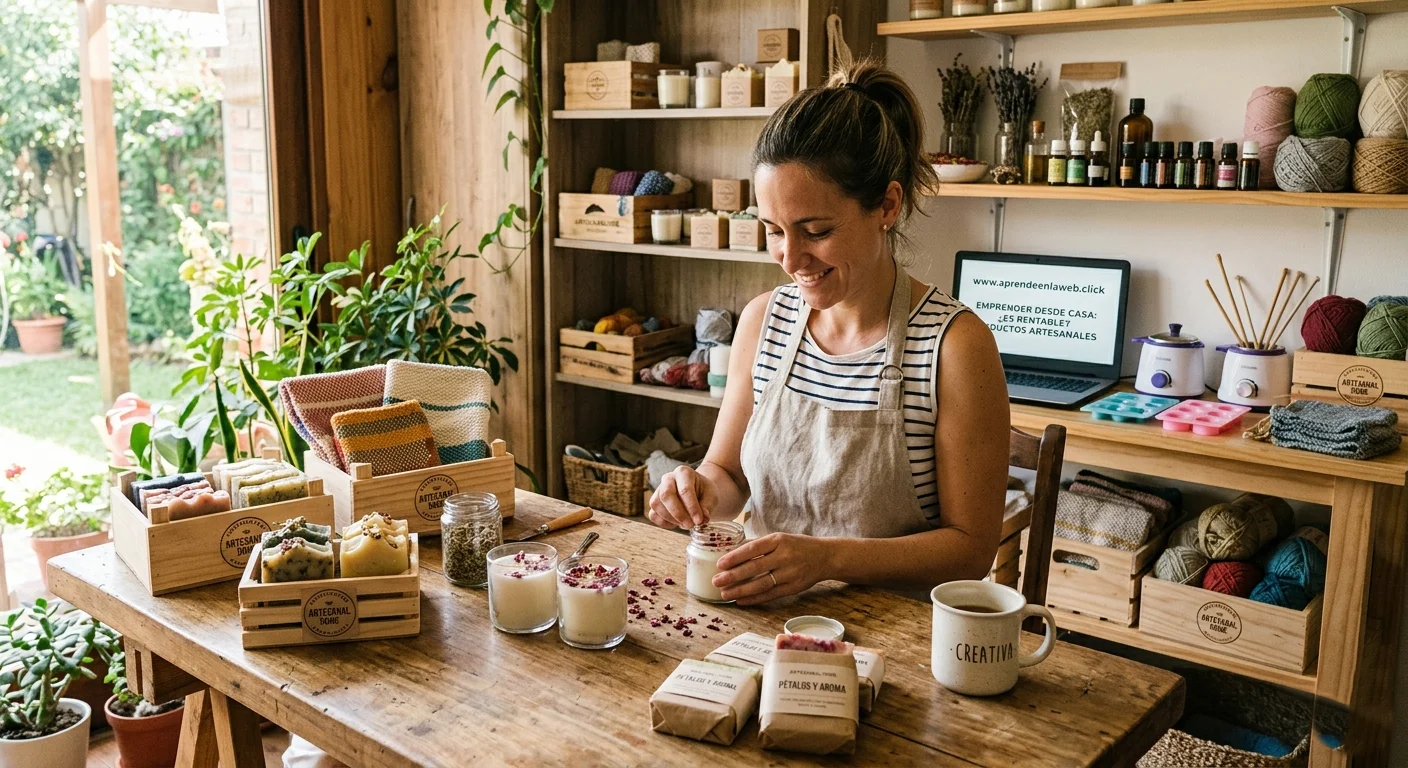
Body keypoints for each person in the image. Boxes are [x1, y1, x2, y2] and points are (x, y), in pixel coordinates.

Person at [647, 59, 1010, 604]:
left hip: (898, 640)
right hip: (766, 618)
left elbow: (971, 550)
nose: (791, 259)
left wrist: (828, 559)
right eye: (773, 231)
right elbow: (728, 478)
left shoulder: (954, 347)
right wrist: (695, 490)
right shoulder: (763, 322)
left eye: (815, 231)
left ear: (886, 205)